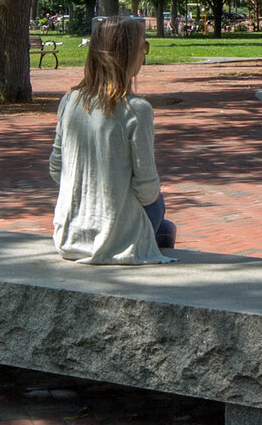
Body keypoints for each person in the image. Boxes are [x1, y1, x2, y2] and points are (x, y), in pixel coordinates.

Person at [47, 16, 176, 264]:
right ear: (127, 55)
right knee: (161, 212)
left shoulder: (69, 101)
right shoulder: (136, 110)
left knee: (165, 226)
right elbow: (147, 189)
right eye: (143, 47)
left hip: (68, 235)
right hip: (113, 239)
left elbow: (56, 170)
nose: (144, 56)